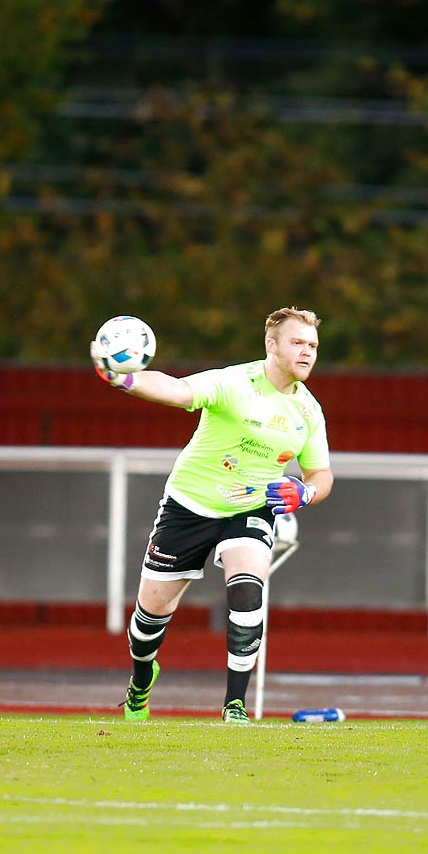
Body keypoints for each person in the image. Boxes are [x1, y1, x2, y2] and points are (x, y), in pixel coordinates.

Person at [92, 306, 333, 723]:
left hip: (250, 507)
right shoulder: (234, 382)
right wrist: (124, 378)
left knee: (248, 588)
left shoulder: (309, 412)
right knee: (149, 618)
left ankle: (234, 705)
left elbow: (321, 473)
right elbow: (176, 391)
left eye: (312, 345)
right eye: (297, 343)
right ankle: (141, 679)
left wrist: (306, 492)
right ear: (271, 345)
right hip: (189, 505)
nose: (307, 352)